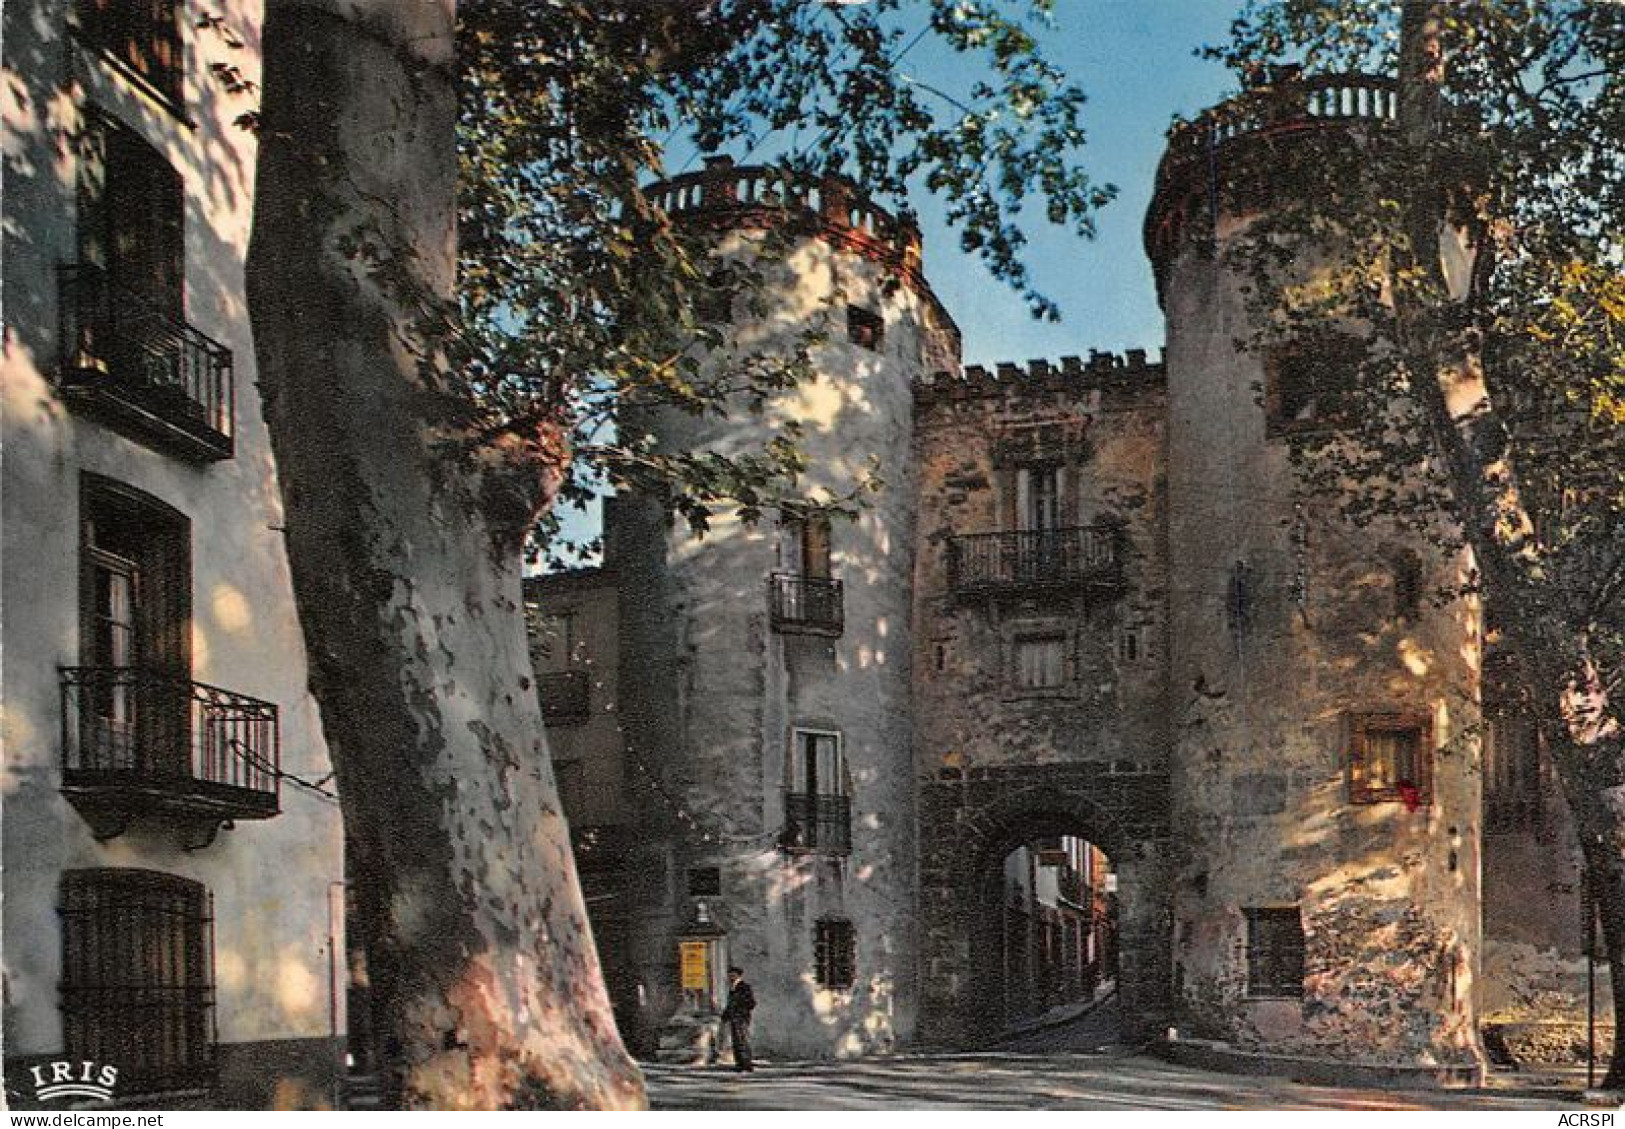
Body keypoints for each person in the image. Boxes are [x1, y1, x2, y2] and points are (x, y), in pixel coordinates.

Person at [719, 966, 756, 1072]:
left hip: (741, 1018)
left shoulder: (744, 987)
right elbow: (730, 1004)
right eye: (729, 974)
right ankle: (740, 1063)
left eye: (732, 974)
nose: (730, 976)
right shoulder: (732, 987)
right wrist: (725, 1015)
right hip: (734, 1017)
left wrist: (742, 1011)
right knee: (736, 1040)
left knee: (742, 1040)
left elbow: (751, 1002)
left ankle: (746, 1063)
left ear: (738, 975)